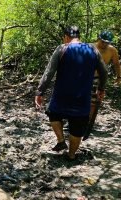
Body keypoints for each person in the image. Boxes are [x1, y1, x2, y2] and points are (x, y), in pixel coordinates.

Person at [35, 26, 108, 160]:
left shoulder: (62, 48)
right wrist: (101, 89)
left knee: (52, 113)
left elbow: (49, 72)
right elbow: (104, 72)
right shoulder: (92, 50)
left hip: (61, 96)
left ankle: (61, 141)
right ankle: (71, 155)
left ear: (66, 37)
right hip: (82, 98)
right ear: (78, 36)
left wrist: (40, 92)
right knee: (77, 126)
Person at [83, 30, 121, 140]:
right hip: (85, 78)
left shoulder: (112, 50)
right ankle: (75, 119)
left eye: (107, 42)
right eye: (103, 41)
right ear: (98, 38)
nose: (105, 44)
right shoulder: (89, 47)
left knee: (94, 101)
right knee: (80, 98)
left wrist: (118, 77)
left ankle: (88, 122)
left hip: (99, 79)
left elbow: (116, 64)